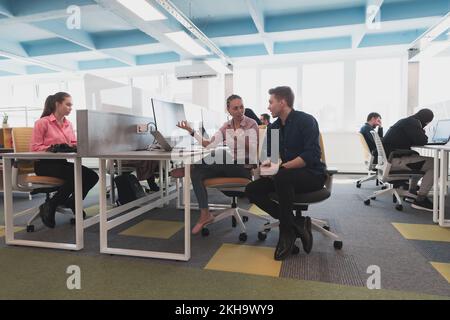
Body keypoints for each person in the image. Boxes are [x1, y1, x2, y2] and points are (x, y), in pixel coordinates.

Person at [245, 86, 327, 261]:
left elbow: (311, 155)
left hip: (312, 174)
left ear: (282, 102)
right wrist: (265, 167)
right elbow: (272, 157)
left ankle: (286, 233)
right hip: (287, 176)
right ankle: (296, 223)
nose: (268, 107)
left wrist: (282, 168)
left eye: (271, 102)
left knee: (282, 176)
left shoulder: (306, 120)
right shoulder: (274, 127)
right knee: (252, 189)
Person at [177, 94, 259, 234]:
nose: (240, 111)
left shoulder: (252, 123)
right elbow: (208, 145)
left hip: (243, 168)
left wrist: (237, 137)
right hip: (226, 165)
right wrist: (191, 131)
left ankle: (192, 165)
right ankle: (205, 214)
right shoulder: (226, 126)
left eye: (241, 107)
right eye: (235, 108)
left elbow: (253, 149)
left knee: (221, 154)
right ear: (229, 110)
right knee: (197, 173)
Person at [31, 92, 99, 228]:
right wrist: (52, 148)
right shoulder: (42, 123)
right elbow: (34, 147)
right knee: (76, 176)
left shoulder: (68, 124)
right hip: (44, 165)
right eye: (67, 104)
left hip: (61, 163)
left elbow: (73, 142)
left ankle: (72, 202)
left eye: (71, 105)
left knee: (92, 176)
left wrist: (82, 143)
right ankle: (51, 204)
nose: (70, 108)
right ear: (57, 104)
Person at [382, 108, 435, 212]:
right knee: (436, 163)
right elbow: (422, 140)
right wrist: (422, 130)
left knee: (417, 157)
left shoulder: (406, 121)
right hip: (395, 160)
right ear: (427, 121)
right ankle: (420, 199)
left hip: (389, 160)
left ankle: (412, 193)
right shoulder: (413, 123)